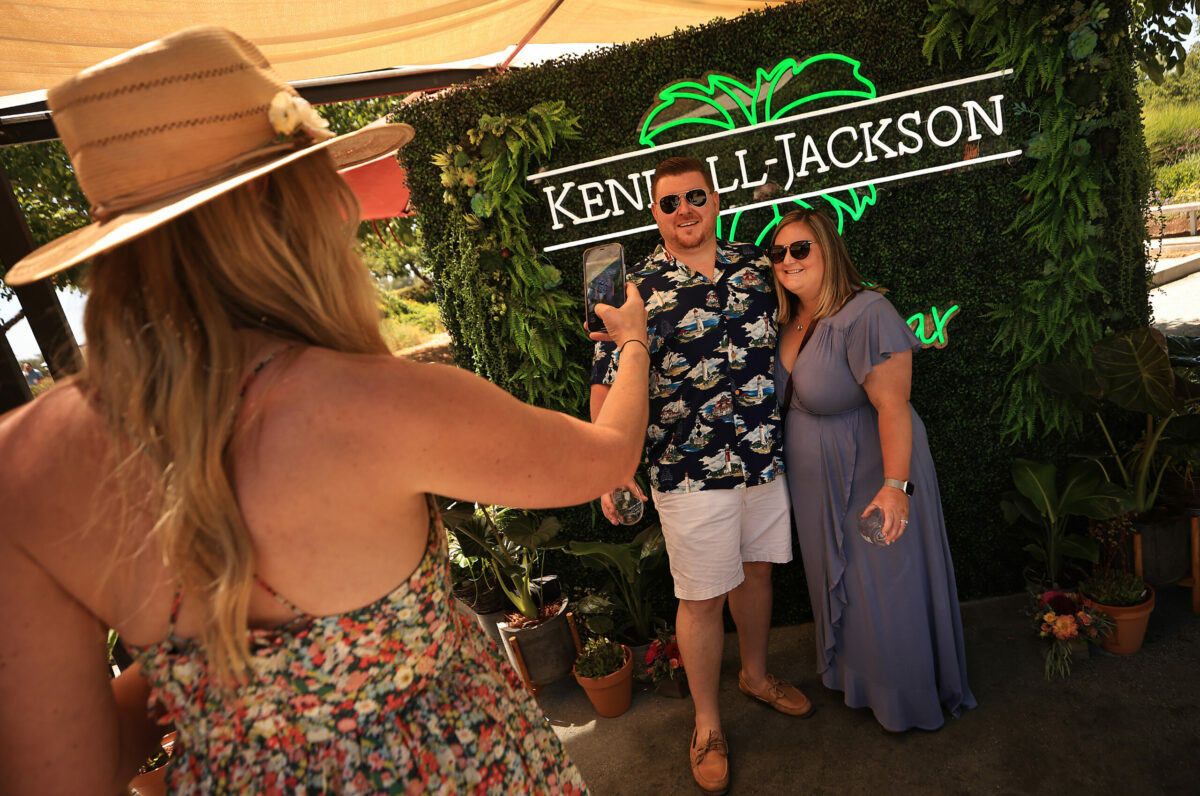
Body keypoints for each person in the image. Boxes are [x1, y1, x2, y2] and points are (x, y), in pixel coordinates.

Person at [0, 26, 650, 794]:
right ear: (282, 200)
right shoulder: (378, 403)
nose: (342, 205)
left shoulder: (21, 464)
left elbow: (60, 773)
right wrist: (633, 344)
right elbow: (605, 459)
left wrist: (220, 679)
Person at [591, 156, 810, 796]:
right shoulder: (631, 292)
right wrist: (610, 467)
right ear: (654, 213)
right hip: (687, 473)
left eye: (695, 196)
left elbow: (800, 325)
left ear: (714, 200)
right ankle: (708, 723)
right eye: (669, 202)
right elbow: (605, 386)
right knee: (702, 597)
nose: (684, 209)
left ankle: (756, 676)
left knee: (760, 571)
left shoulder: (754, 267)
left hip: (763, 457)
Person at [769, 207, 976, 732]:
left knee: (885, 585)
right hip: (817, 482)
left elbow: (893, 406)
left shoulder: (867, 312)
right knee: (843, 587)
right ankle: (855, 679)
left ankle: (904, 698)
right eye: (778, 253)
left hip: (870, 470)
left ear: (828, 251)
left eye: (800, 249)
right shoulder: (789, 319)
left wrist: (895, 487)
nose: (787, 261)